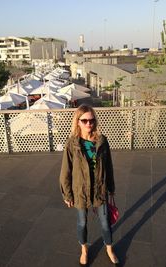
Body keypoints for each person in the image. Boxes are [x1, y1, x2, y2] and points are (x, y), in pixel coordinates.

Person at [59, 104, 119, 266]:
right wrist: (67, 194)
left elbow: (109, 166)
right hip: (80, 191)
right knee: (82, 222)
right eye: (84, 120)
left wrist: (111, 187)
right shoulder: (72, 143)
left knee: (106, 223)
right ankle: (84, 250)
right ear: (77, 122)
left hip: (100, 188)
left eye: (91, 120)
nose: (88, 124)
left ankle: (109, 249)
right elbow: (66, 170)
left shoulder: (102, 141)